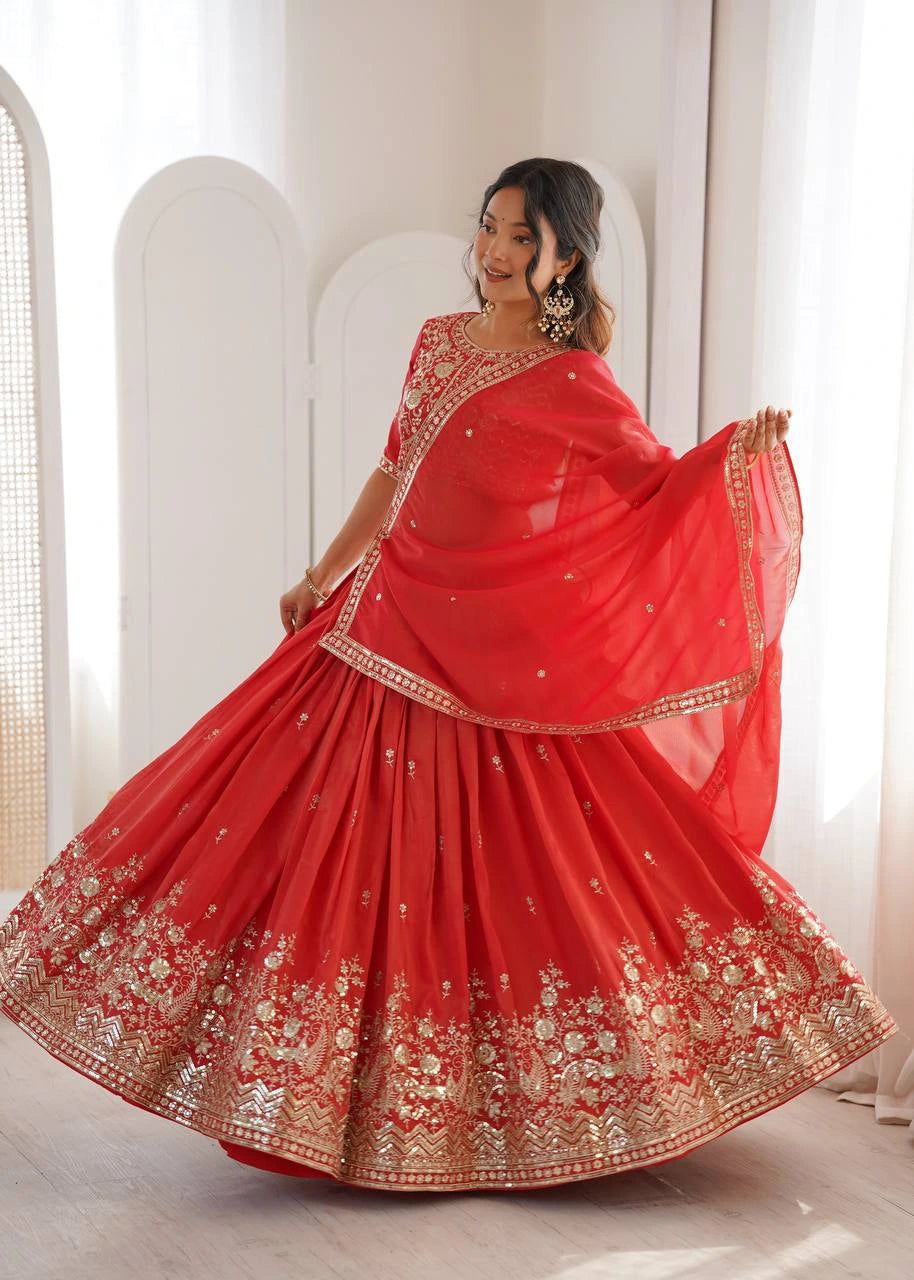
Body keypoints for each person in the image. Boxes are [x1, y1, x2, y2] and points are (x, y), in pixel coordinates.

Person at [0, 158, 897, 1193]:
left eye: (522, 236)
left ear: (565, 253)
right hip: (379, 622)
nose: (498, 253)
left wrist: (732, 455)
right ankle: (322, 1095)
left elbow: (649, 485)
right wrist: (319, 571)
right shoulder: (435, 341)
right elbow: (394, 466)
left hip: (492, 656)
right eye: (488, 230)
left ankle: (500, 1106)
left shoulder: (572, 379)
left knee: (537, 868)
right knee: (293, 834)